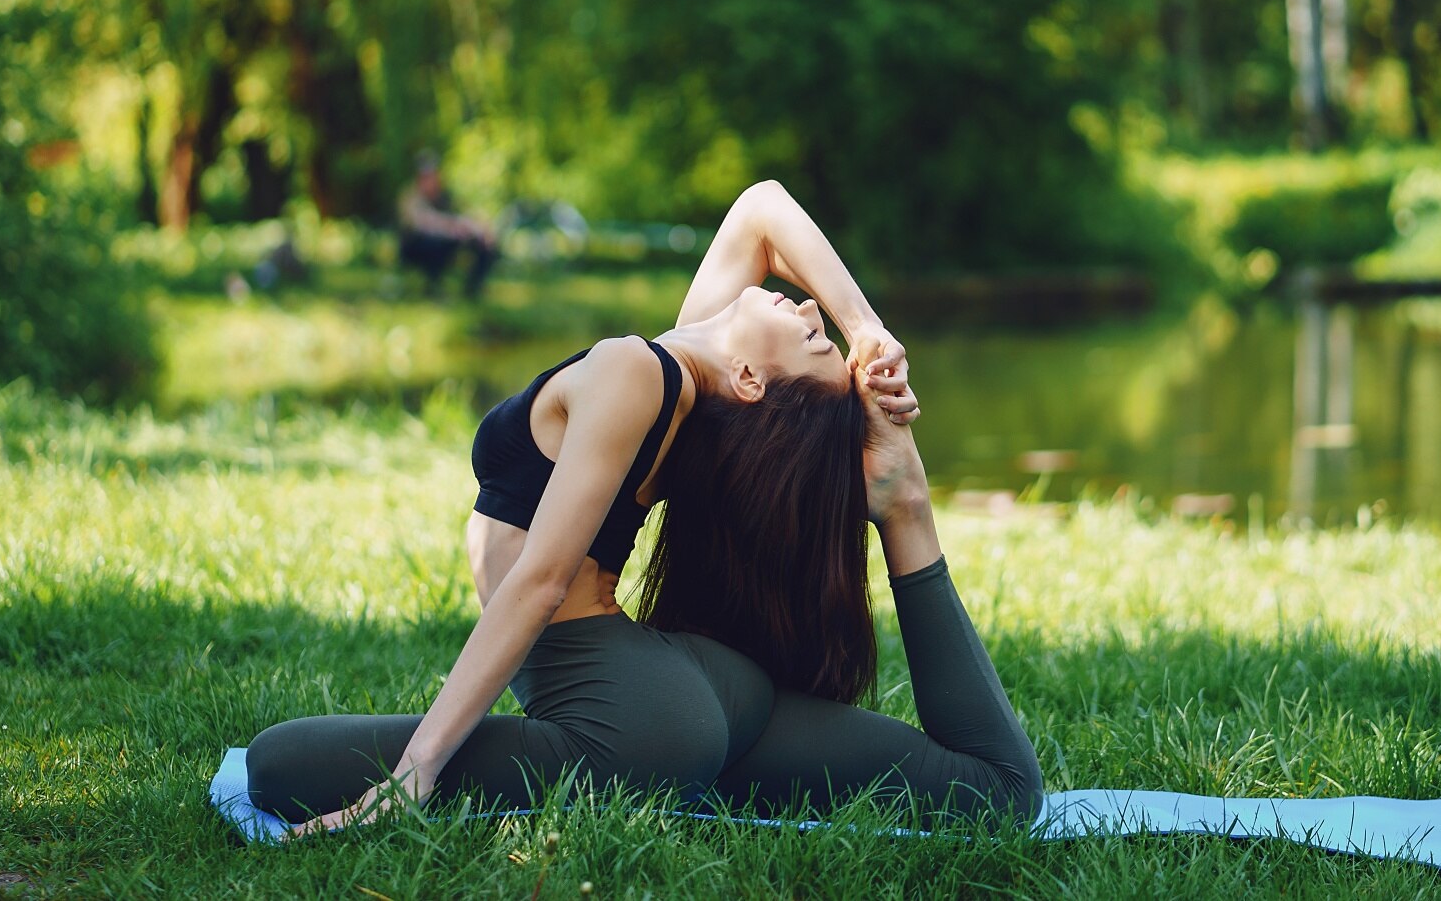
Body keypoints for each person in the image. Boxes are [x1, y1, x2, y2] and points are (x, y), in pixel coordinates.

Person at [242, 180, 1040, 831]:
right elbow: (761, 212)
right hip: (716, 695)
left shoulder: (636, 371)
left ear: (753, 381)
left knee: (276, 762)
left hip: (630, 717)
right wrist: (866, 329)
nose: (808, 309)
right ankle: (903, 511)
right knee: (996, 790)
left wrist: (416, 772)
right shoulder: (683, 384)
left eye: (814, 338)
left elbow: (540, 582)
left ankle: (903, 506)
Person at [396, 150, 497, 298]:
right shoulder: (409, 197)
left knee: (485, 243)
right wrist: (456, 226)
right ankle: (433, 286)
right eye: (425, 176)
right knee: (440, 242)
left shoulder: (447, 196)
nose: (430, 180)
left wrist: (479, 229)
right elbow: (424, 222)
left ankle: (472, 289)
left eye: (432, 175)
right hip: (415, 247)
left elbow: (467, 213)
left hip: (446, 241)